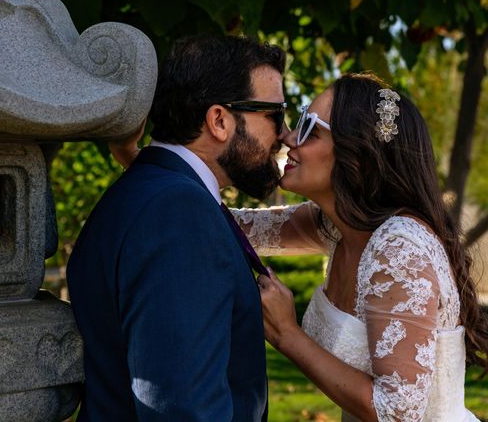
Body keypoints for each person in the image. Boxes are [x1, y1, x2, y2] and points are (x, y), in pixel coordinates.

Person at [232, 72, 487, 421]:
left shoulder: (399, 251)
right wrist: (148, 161)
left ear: (358, 155)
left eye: (310, 128)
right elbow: (228, 224)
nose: (289, 137)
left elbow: (394, 413)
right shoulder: (338, 226)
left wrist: (287, 334)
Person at [67, 34, 288, 421]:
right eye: (276, 116)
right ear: (219, 120)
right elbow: (183, 408)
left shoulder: (155, 191)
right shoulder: (178, 211)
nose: (284, 135)